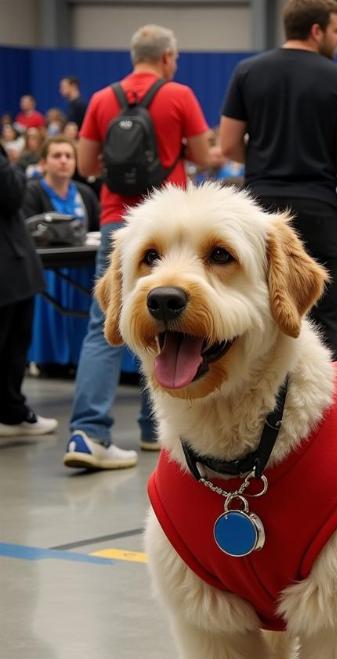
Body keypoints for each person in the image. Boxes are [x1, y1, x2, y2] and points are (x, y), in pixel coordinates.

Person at [64, 24, 211, 470]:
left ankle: (89, 432)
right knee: (177, 325)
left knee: (105, 327)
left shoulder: (102, 99)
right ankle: (155, 429)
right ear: (167, 57)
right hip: (170, 226)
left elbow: (87, 164)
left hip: (120, 226)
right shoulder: (179, 95)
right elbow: (204, 157)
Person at [219, 0, 337, 358]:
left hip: (259, 208)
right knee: (324, 314)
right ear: (317, 31)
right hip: (317, 207)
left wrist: (263, 156)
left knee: (263, 308)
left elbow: (227, 145)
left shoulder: (246, 71)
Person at [0, 143, 58, 437]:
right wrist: (18, 168)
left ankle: (11, 411)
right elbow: (10, 194)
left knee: (14, 343)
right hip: (7, 266)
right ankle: (10, 410)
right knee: (10, 342)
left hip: (13, 264)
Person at [22, 135, 100, 229]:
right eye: (57, 156)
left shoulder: (86, 193)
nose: (64, 161)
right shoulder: (30, 192)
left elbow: (98, 228)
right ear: (43, 164)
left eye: (69, 156)